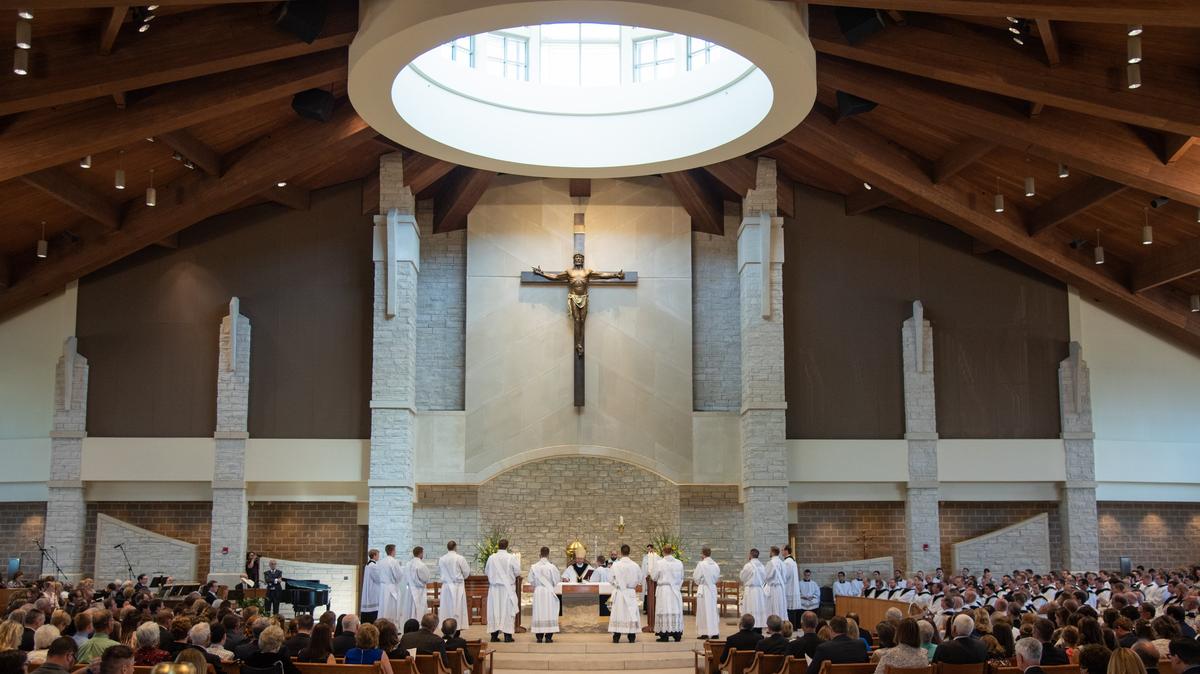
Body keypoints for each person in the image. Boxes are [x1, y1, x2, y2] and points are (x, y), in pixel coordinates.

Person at [484, 538, 521, 643]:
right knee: (507, 611)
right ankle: (507, 636)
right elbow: (517, 572)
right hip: (507, 588)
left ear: (498, 545)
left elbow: (486, 571)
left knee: (494, 611)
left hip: (494, 589)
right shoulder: (511, 558)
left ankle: (494, 636)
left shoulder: (491, 558)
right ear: (507, 546)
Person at [609, 544, 642, 644]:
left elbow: (610, 579)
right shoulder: (635, 565)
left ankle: (616, 637)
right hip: (630, 592)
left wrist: (617, 584)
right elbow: (639, 579)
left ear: (621, 552)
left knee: (619, 613)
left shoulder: (616, 565)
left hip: (620, 593)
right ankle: (631, 636)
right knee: (630, 614)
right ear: (629, 552)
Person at [652, 545, 684, 642]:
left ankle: (664, 635)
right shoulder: (679, 563)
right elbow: (682, 577)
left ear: (663, 552)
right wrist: (677, 586)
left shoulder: (659, 563)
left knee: (664, 610)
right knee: (675, 610)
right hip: (675, 589)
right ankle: (677, 634)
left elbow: (654, 577)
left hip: (664, 590)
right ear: (672, 552)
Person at [529, 547, 561, 644]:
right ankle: (548, 637)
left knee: (539, 612)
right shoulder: (552, 567)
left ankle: (539, 637)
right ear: (548, 554)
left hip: (538, 591)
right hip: (548, 591)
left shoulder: (533, 567)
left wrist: (538, 585)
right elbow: (556, 580)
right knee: (549, 612)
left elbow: (531, 580)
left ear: (540, 554)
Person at [437, 541, 470, 629]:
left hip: (446, 586)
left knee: (446, 608)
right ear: (455, 547)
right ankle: (457, 628)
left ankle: (446, 628)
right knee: (457, 607)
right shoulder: (460, 558)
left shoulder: (442, 559)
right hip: (457, 586)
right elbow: (466, 572)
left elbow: (440, 571)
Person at [692, 547, 721, 640]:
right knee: (712, 610)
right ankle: (714, 632)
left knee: (703, 611)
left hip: (704, 589)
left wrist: (701, 581)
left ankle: (704, 632)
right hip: (712, 589)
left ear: (702, 554)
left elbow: (696, 578)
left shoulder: (701, 565)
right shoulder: (716, 565)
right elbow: (716, 578)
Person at [740, 549, 768, 632]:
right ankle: (758, 627)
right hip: (759, 590)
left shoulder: (748, 566)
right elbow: (764, 578)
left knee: (750, 608)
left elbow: (742, 577)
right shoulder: (762, 566)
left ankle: (750, 627)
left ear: (750, 555)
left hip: (751, 590)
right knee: (759, 609)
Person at [401, 547, 431, 625]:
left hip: (410, 590)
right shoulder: (421, 565)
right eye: (422, 553)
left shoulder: (408, 564)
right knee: (419, 609)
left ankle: (408, 624)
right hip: (419, 590)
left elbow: (405, 577)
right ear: (420, 553)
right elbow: (426, 578)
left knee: (410, 608)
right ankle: (419, 625)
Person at [378, 544, 405, 625]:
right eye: (395, 550)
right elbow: (399, 574)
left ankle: (381, 624)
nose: (395, 552)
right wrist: (396, 581)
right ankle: (392, 625)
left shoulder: (381, 561)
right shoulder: (393, 561)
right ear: (392, 551)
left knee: (383, 607)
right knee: (392, 607)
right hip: (391, 587)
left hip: (383, 587)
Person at [764, 548, 789, 627]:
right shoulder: (782, 563)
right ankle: (781, 624)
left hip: (773, 588)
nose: (769, 553)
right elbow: (785, 577)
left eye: (770, 551)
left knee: (773, 607)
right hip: (780, 588)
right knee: (780, 606)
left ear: (772, 552)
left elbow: (766, 576)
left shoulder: (770, 563)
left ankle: (773, 626)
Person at [782, 546, 801, 625]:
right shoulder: (792, 561)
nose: (781, 552)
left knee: (789, 608)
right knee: (792, 607)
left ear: (786, 551)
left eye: (782, 550)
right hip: (793, 587)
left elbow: (786, 575)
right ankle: (795, 625)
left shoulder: (787, 562)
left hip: (789, 588)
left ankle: (791, 626)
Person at [360, 549, 381, 624]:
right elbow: (378, 578)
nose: (379, 557)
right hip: (373, 590)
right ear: (374, 555)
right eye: (378, 555)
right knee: (373, 609)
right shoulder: (373, 566)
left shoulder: (368, 564)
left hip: (369, 588)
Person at [640, 544, 661, 615]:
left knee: (654, 593)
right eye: (648, 549)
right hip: (647, 578)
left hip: (655, 579)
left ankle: (654, 608)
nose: (649, 550)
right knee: (646, 593)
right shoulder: (645, 558)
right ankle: (646, 608)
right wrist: (643, 576)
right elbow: (643, 568)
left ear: (653, 549)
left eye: (650, 549)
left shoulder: (658, 557)